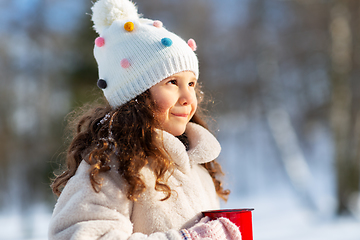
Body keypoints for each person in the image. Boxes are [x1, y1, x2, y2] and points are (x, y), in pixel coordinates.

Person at [48, 0, 242, 239]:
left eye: (191, 84)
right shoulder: (112, 164)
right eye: (172, 83)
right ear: (136, 96)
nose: (187, 98)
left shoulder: (199, 167)